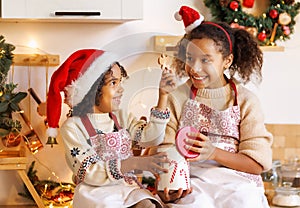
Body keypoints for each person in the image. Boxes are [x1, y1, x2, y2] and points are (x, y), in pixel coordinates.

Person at [155, 6, 273, 208]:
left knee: (244, 201)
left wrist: (213, 153)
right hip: (192, 182)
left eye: (205, 60)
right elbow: (165, 151)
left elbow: (256, 164)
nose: (194, 68)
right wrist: (167, 186)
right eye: (190, 58)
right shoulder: (177, 97)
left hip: (238, 183)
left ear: (227, 61)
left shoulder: (246, 101)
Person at [46, 49, 176, 208]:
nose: (121, 89)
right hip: (96, 194)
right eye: (113, 83)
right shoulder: (73, 127)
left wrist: (163, 96)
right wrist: (135, 163)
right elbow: (90, 171)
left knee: (149, 205)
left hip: (127, 188)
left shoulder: (121, 117)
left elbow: (151, 138)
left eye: (120, 82)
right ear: (91, 90)